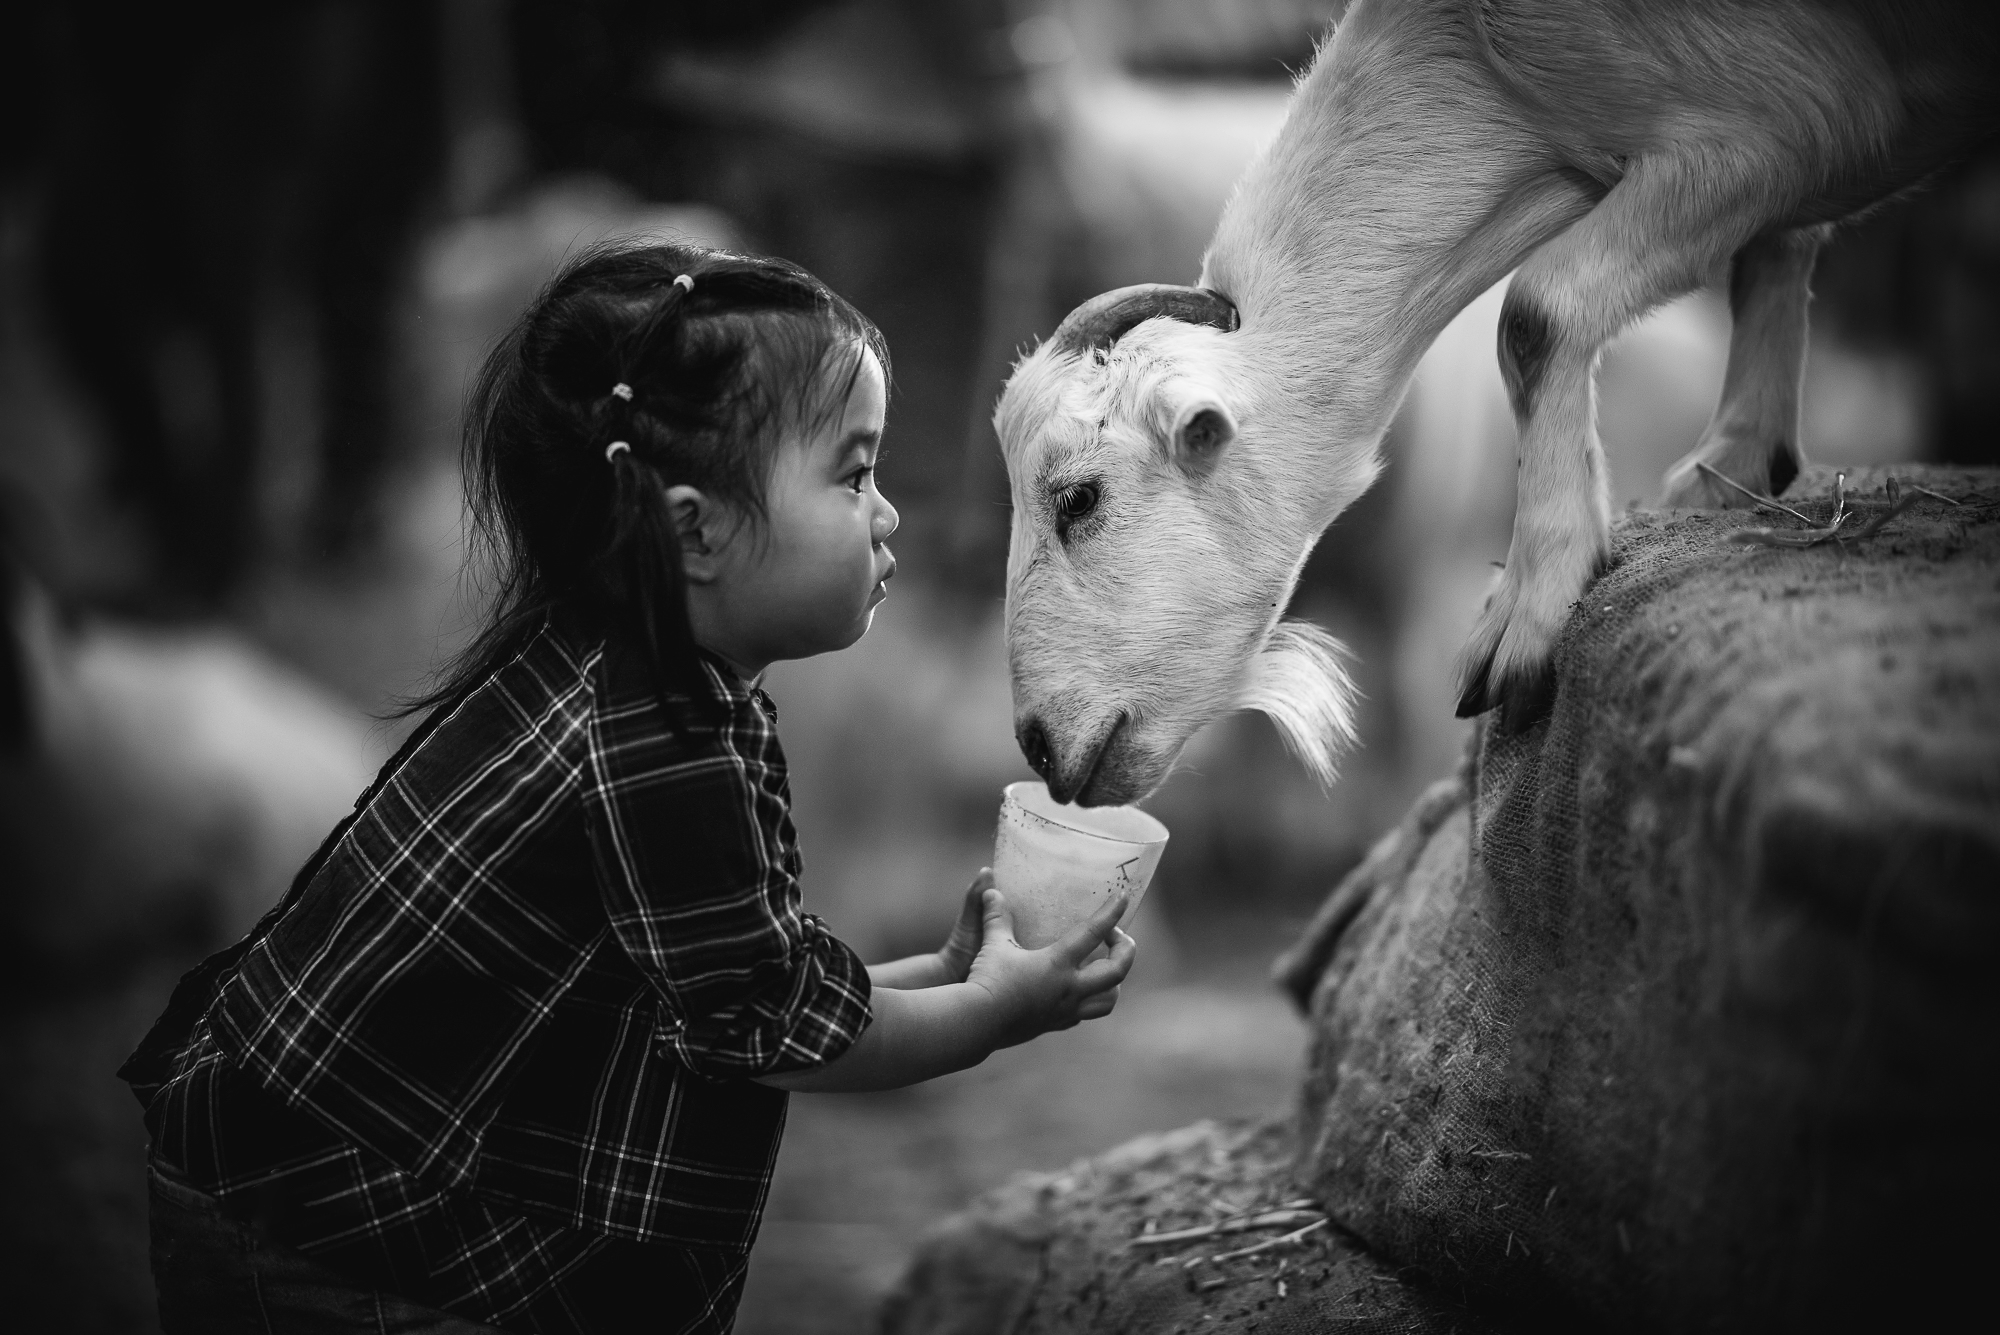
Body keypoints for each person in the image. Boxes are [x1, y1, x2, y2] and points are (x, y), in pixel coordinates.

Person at [118, 242, 1136, 1334]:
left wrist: (942, 976)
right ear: (694, 530)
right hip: (340, 1232)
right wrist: (990, 1013)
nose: (886, 514)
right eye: (852, 475)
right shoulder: (660, 743)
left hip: (311, 1188)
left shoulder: (631, 675)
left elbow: (736, 993)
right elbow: (779, 1035)